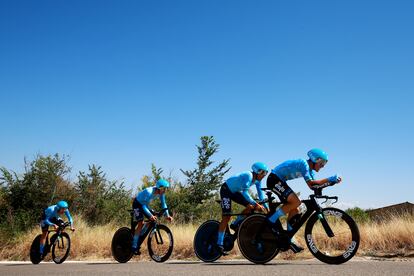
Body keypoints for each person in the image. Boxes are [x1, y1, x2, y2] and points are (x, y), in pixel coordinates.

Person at [267, 148, 342, 253]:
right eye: (322, 162)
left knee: (295, 210)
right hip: (274, 179)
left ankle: (289, 238)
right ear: (315, 159)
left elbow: (313, 186)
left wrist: (331, 183)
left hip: (280, 180)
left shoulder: (310, 171)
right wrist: (330, 179)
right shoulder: (304, 164)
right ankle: (272, 219)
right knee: (296, 202)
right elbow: (312, 184)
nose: (323, 166)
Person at [217, 162, 269, 255]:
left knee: (251, 207)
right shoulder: (248, 175)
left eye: (266, 173)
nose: (264, 175)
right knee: (226, 217)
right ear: (257, 171)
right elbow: (245, 193)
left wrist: (266, 207)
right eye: (263, 173)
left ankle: (235, 223)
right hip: (226, 190)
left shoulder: (258, 180)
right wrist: (256, 203)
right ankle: (219, 244)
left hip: (234, 191)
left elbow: (261, 195)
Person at [131, 179, 173, 255]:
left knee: (153, 219)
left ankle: (139, 234)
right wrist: (150, 215)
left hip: (144, 205)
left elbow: (163, 204)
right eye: (164, 189)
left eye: (166, 189)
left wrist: (167, 215)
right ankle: (134, 246)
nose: (165, 190)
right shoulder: (149, 192)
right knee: (141, 223)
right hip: (137, 204)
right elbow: (143, 206)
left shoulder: (161, 193)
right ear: (159, 188)